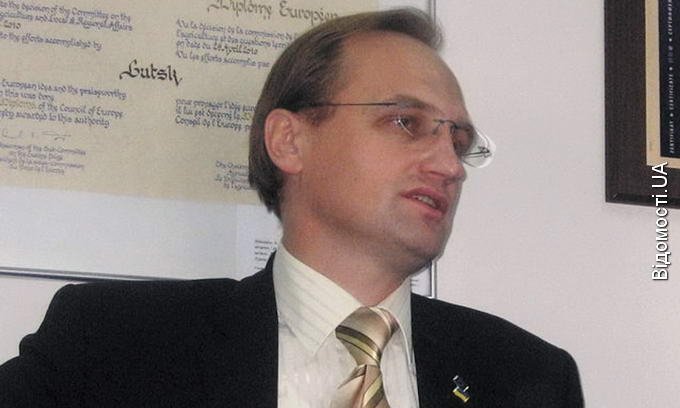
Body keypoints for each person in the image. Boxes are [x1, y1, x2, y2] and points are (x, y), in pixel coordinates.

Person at [0, 8, 583, 408]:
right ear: (289, 141)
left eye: (457, 140)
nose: (448, 165)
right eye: (406, 122)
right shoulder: (115, 344)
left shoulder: (526, 378)